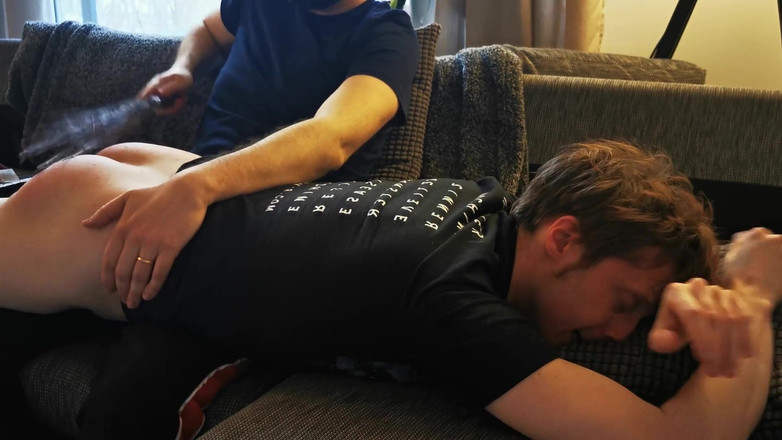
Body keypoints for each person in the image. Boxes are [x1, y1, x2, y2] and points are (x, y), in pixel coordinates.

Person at [1, 140, 779, 439]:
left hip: (160, 180)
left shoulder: (481, 203)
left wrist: (700, 291)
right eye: (624, 305)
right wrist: (753, 304)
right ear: (564, 238)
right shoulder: (454, 305)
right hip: (85, 232)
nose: (617, 333)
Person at [83, 0, 419, 308]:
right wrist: (183, 67)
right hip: (201, 175)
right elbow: (208, 29)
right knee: (109, 162)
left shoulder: (387, 33)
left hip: (289, 208)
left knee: (82, 185)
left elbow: (333, 139)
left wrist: (197, 185)